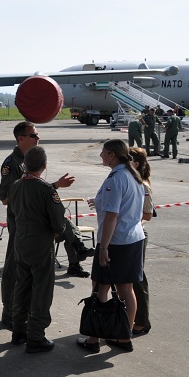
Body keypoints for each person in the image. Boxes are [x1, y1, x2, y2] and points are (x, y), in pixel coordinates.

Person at [0, 122, 89, 329]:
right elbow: (5, 198)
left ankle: (21, 316)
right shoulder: (11, 164)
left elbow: (31, 188)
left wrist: (54, 186)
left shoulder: (28, 161)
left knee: (25, 275)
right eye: (33, 135)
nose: (38, 138)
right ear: (21, 138)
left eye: (37, 135)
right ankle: (9, 313)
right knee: (14, 270)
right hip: (20, 224)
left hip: (32, 225)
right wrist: (45, 191)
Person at [77, 139, 146, 353]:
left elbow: (112, 215)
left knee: (99, 288)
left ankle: (93, 339)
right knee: (127, 289)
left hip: (115, 242)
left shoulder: (115, 179)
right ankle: (125, 336)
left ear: (112, 155)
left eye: (103, 152)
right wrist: (97, 201)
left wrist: (104, 247)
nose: (101, 156)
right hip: (133, 238)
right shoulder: (133, 176)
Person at [7, 146, 66, 353]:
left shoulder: (15, 186)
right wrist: (59, 232)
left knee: (22, 286)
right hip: (40, 243)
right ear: (44, 166)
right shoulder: (46, 190)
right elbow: (58, 221)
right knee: (41, 289)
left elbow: (12, 214)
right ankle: (36, 335)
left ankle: (18, 330)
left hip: (21, 242)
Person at [129, 147, 155, 335]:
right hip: (128, 235)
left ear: (135, 164)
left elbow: (148, 214)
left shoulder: (143, 185)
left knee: (137, 279)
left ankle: (142, 321)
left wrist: (132, 222)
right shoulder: (129, 181)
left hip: (138, 234)